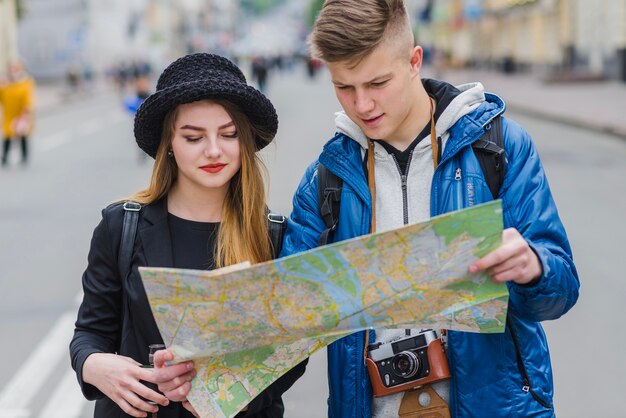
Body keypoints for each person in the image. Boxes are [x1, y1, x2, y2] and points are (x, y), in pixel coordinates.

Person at [280, 1, 579, 417]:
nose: (362, 104)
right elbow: (288, 320)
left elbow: (560, 293)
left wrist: (534, 268)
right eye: (344, 87)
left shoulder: (498, 147)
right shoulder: (326, 178)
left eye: (378, 82)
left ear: (414, 60)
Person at [70, 53, 307, 418]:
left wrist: (225, 397)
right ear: (168, 143)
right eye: (193, 137)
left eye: (228, 134)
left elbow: (291, 356)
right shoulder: (121, 225)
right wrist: (95, 366)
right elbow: (89, 333)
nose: (213, 150)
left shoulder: (275, 235)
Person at [0, 60, 35, 166]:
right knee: (7, 135)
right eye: (11, 68)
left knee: (22, 134)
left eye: (15, 68)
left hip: (21, 114)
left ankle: (24, 156)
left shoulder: (25, 83)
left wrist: (24, 115)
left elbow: (27, 100)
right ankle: (5, 157)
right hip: (9, 114)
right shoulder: (5, 84)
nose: (13, 71)